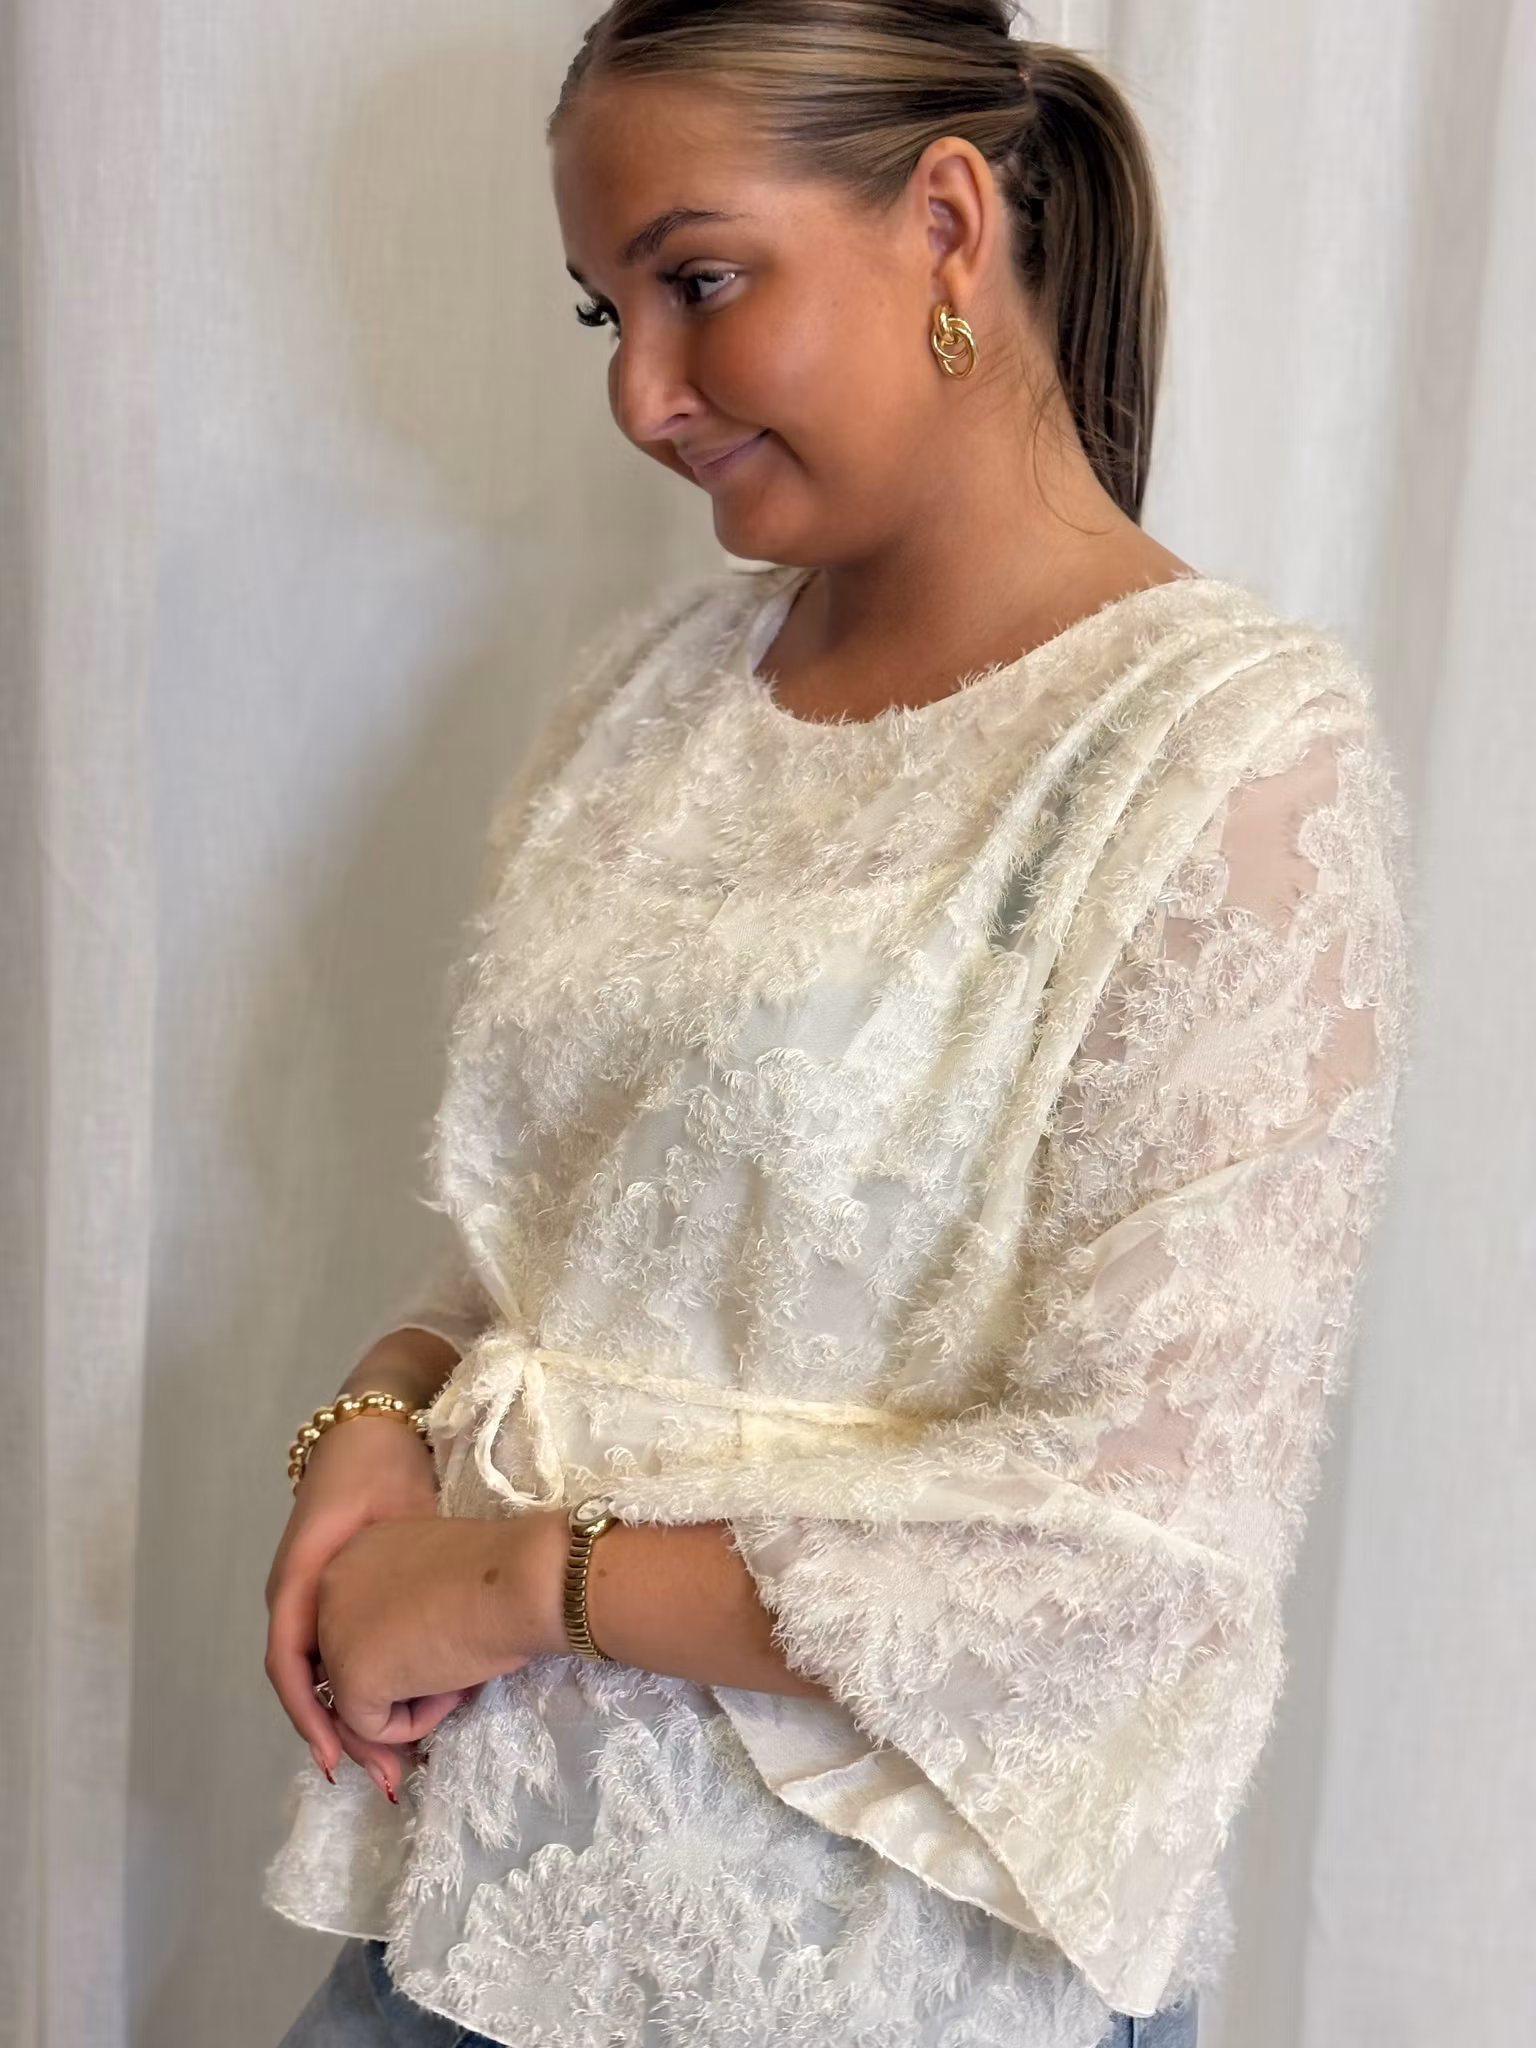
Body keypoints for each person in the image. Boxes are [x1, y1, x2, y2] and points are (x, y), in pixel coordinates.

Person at [263, 2, 1417, 2044]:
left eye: (699, 282)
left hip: (882, 1968)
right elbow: (578, 1232)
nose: (640, 391)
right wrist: (374, 1411)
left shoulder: (1221, 759)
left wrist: (520, 1579)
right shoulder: (650, 699)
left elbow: (1133, 1554)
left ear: (949, 224)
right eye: (604, 311)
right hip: (472, 1904)